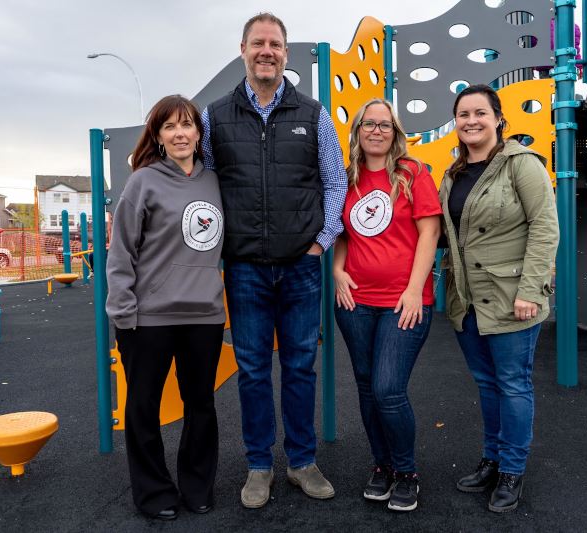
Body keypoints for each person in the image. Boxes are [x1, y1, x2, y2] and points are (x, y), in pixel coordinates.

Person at [201, 12, 347, 509]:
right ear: (242, 49)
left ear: (286, 54)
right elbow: (200, 182)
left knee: (302, 366)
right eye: (259, 43)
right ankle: (259, 466)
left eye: (276, 44)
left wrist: (321, 241)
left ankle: (302, 462)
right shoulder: (215, 117)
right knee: (253, 370)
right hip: (243, 268)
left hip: (302, 267)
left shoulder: (313, 114)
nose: (268, 51)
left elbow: (334, 180)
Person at [439, 85, 559, 513]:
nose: (471, 120)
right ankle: (492, 459)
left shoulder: (520, 165)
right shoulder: (452, 175)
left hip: (512, 298)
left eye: (479, 113)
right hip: (468, 300)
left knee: (513, 384)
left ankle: (512, 469)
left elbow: (545, 227)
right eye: (463, 114)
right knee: (488, 384)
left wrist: (531, 289)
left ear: (497, 119)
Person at [106, 95, 225, 521]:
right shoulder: (143, 182)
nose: (180, 133)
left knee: (201, 407)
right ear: (157, 135)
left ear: (198, 133)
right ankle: (154, 492)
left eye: (187, 125)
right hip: (148, 317)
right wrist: (123, 310)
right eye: (170, 126)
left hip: (204, 316)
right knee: (143, 408)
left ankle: (197, 487)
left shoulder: (214, 181)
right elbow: (121, 252)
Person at [333, 99, 441, 512]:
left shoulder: (412, 174)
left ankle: (406, 471)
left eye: (385, 125)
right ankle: (382, 466)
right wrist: (337, 271)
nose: (376, 131)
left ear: (395, 133)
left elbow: (429, 235)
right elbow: (342, 234)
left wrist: (415, 291)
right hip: (355, 301)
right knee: (365, 386)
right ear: (358, 130)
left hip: (403, 301)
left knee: (388, 389)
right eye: (369, 124)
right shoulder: (347, 178)